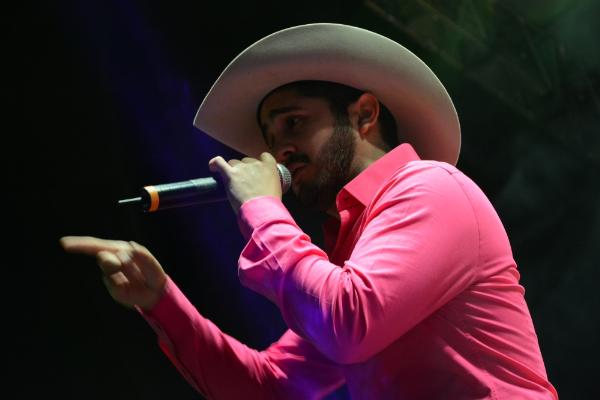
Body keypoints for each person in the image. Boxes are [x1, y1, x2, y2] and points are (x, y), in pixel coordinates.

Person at [61, 23, 558, 399]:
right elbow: (271, 385)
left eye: (294, 124)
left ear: (364, 115)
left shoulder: (431, 187)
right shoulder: (349, 253)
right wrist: (161, 301)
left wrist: (260, 207)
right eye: (271, 138)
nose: (279, 150)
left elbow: (347, 323)